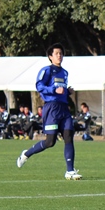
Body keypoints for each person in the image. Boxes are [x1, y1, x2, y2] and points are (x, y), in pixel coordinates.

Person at [16, 43, 82, 180]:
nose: (59, 55)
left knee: (69, 137)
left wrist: (67, 92)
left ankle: (70, 171)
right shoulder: (46, 70)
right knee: (50, 142)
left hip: (63, 108)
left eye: (61, 53)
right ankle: (26, 154)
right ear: (50, 56)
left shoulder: (65, 72)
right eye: (57, 53)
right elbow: (39, 86)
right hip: (51, 108)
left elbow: (61, 90)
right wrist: (53, 90)